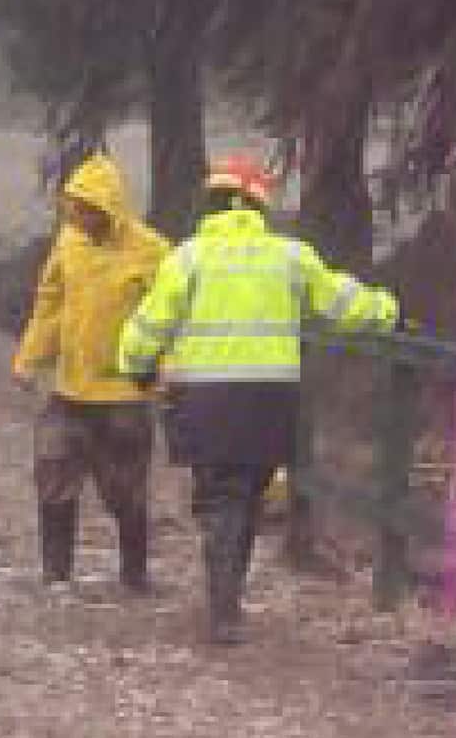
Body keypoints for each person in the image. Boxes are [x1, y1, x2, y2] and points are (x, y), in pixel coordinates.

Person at [115, 155, 403, 643]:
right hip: (270, 399)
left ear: (212, 203)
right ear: (258, 206)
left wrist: (134, 365)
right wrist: (391, 312)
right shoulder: (290, 256)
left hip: (202, 400)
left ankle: (222, 601)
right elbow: (341, 301)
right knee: (247, 494)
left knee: (219, 495)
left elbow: (149, 326)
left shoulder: (187, 257)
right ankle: (228, 597)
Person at [7, 153, 168, 589]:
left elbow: (171, 318)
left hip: (124, 396)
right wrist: (29, 357)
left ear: (107, 209)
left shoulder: (152, 250)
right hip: (70, 390)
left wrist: (168, 372)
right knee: (53, 476)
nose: (76, 216)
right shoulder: (68, 242)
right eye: (72, 207)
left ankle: (134, 575)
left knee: (125, 493)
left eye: (84, 209)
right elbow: (50, 303)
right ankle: (56, 574)